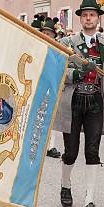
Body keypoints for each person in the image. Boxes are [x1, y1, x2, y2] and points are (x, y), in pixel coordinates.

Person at [52, 0, 104, 207]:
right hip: (73, 101)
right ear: (80, 18)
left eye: (92, 15)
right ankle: (66, 185)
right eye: (85, 15)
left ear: (98, 18)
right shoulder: (67, 43)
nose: (88, 18)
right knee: (71, 151)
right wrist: (75, 74)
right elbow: (55, 69)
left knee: (92, 151)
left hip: (95, 101)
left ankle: (90, 200)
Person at [40, 16, 62, 159]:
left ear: (54, 35)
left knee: (52, 118)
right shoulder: (37, 45)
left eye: (48, 33)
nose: (45, 35)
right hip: (39, 85)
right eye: (44, 32)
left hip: (53, 86)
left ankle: (50, 146)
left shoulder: (59, 49)